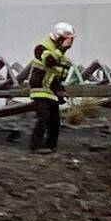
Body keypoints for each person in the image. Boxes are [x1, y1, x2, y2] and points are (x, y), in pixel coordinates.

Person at [27, 21, 75, 153]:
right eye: (67, 40)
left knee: (55, 120)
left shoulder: (63, 57)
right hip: (40, 88)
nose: (69, 43)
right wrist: (62, 49)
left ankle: (50, 146)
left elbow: (59, 76)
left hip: (51, 91)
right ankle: (35, 146)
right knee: (43, 117)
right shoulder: (41, 48)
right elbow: (49, 61)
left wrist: (61, 92)